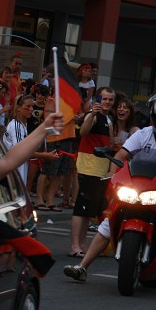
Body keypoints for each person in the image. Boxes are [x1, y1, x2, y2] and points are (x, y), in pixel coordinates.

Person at [64, 90, 156, 282]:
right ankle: (82, 266)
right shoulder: (143, 134)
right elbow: (121, 156)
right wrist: (112, 176)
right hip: (138, 187)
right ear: (153, 115)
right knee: (107, 222)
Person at [68, 86, 115, 257]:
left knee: (88, 211)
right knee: (81, 209)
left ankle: (82, 245)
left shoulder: (107, 119)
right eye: (104, 99)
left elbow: (108, 146)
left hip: (99, 170)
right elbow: (84, 131)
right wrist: (92, 114)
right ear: (98, 100)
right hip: (88, 168)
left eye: (110, 99)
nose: (107, 102)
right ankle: (75, 246)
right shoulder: (92, 116)